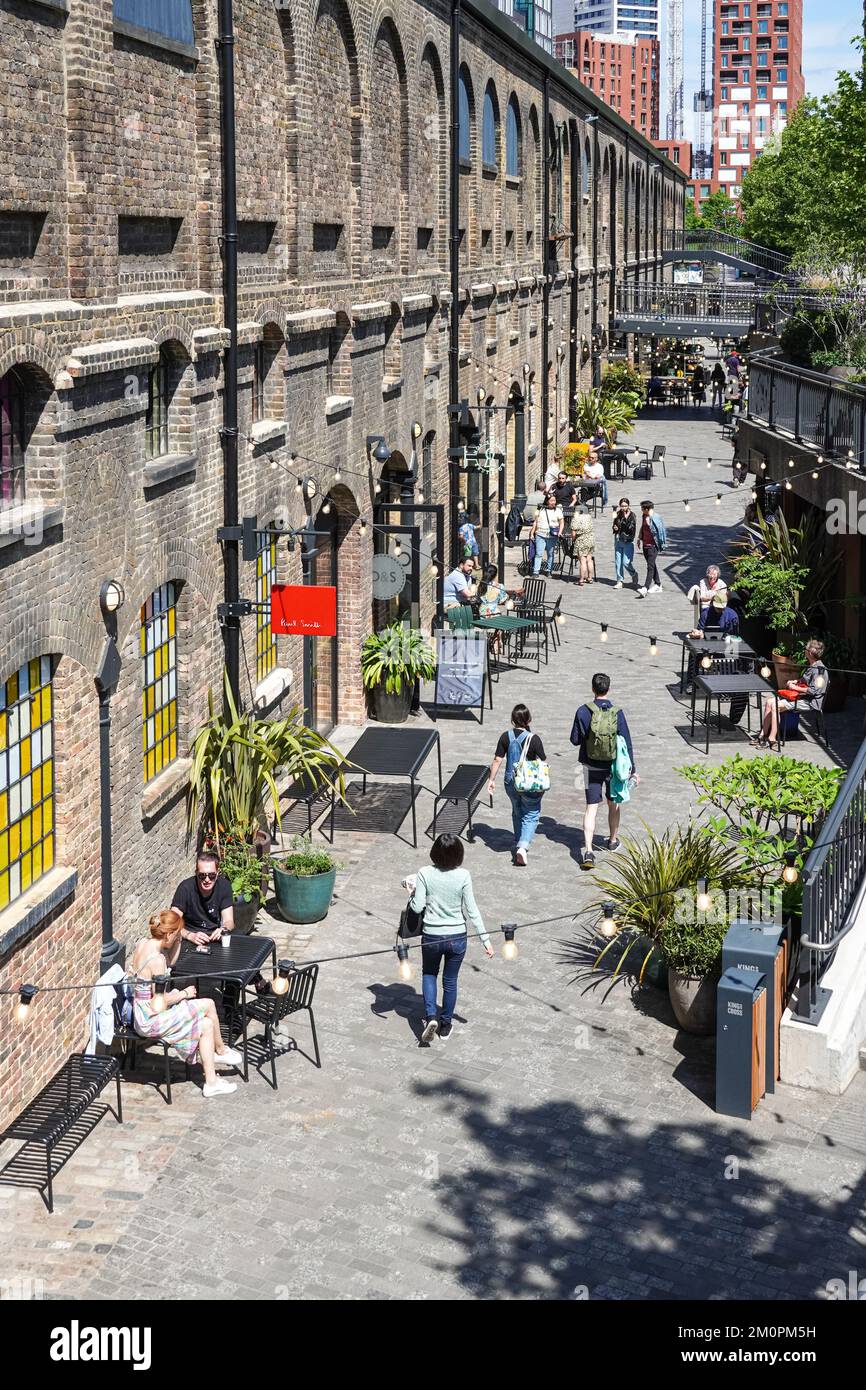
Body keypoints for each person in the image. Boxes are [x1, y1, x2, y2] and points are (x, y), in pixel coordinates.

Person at [131, 910, 243, 1098]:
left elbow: (171, 963)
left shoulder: (143, 944)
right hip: (150, 1019)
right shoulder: (156, 960)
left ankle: (211, 1083)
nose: (177, 938)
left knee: (206, 1025)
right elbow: (159, 1001)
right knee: (207, 1003)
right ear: (169, 934)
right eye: (176, 934)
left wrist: (179, 940)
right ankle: (221, 1050)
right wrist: (184, 994)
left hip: (142, 1012)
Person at [407, 834, 493, 1043]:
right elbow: (472, 910)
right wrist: (486, 941)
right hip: (457, 936)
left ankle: (430, 1018)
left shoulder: (424, 873)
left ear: (435, 852)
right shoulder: (463, 875)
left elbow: (417, 907)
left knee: (429, 974)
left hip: (432, 936)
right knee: (450, 980)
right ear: (458, 854)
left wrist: (411, 893)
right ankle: (445, 1024)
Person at [570, 674, 638, 871]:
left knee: (591, 807)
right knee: (613, 803)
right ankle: (612, 840)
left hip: (590, 766)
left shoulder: (583, 711)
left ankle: (589, 850)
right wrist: (633, 769)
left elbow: (574, 740)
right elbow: (627, 743)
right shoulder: (617, 713)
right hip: (613, 767)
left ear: (593, 689)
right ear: (608, 689)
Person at [488, 703, 547, 866]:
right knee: (531, 813)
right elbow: (542, 761)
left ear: (512, 720)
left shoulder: (505, 736)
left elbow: (497, 759)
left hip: (510, 781)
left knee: (516, 811)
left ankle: (519, 841)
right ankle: (522, 846)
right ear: (529, 719)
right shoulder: (533, 739)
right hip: (528, 783)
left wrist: (491, 780)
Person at [752, 640, 829, 750]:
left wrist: (794, 687)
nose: (805, 651)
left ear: (810, 653)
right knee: (769, 701)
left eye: (806, 650)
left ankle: (772, 738)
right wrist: (795, 681)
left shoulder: (819, 670)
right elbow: (804, 681)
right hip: (801, 697)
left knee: (775, 706)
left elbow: (813, 691)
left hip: (809, 702)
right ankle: (762, 735)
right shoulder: (812, 666)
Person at [172, 850, 234, 946]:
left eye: (212, 875)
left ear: (217, 873)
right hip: (189, 937)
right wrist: (189, 935)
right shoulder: (185, 888)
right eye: (202, 876)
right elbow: (171, 923)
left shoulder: (224, 886)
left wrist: (223, 929)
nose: (207, 880)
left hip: (214, 936)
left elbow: (229, 921)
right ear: (196, 873)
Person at [636, 499, 667, 595]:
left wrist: (662, 544)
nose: (641, 510)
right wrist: (639, 538)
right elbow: (642, 527)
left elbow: (661, 532)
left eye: (642, 509)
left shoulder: (655, 518)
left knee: (650, 567)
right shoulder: (644, 516)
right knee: (652, 565)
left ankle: (645, 587)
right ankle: (658, 584)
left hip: (653, 546)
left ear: (647, 509)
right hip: (645, 544)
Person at [530, 492, 564, 576]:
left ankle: (549, 570)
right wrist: (532, 533)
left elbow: (562, 522)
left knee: (550, 553)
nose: (553, 502)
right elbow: (536, 522)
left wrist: (560, 532)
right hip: (540, 534)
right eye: (551, 501)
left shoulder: (558, 511)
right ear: (547, 501)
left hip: (552, 535)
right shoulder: (541, 510)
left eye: (554, 500)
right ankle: (536, 571)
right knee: (539, 553)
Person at [687, 564, 728, 629]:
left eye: (714, 574)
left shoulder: (722, 584)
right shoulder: (703, 582)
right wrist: (714, 595)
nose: (712, 576)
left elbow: (722, 599)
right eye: (710, 574)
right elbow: (702, 598)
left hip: (718, 605)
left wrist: (710, 597)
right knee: (705, 611)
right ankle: (702, 629)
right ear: (707, 574)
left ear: (718, 575)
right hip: (705, 605)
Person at [612, 496, 638, 589]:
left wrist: (625, 519)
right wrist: (615, 528)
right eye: (622, 506)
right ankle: (620, 581)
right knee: (618, 562)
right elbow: (614, 525)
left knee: (626, 562)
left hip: (627, 541)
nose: (623, 508)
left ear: (628, 506)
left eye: (625, 506)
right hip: (618, 540)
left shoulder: (632, 516)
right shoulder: (618, 514)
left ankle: (634, 574)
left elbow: (632, 529)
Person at [570, 503, 596, 585]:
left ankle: (581, 579)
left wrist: (573, 540)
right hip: (591, 540)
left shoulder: (575, 518)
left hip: (581, 540)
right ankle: (590, 578)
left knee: (582, 561)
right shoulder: (589, 517)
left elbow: (573, 533)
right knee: (589, 560)